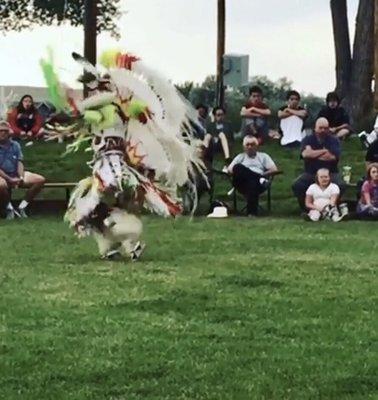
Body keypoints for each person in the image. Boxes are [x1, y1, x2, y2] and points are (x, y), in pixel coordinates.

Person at [40, 49, 207, 260]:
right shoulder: (100, 112)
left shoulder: (118, 111)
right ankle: (112, 236)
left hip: (120, 162)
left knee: (128, 197)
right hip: (107, 164)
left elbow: (132, 121)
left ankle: (122, 241)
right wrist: (67, 112)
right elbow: (79, 115)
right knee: (110, 193)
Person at [292, 117, 346, 210]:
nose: (323, 130)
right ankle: (306, 208)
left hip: (330, 172)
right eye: (320, 128)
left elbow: (332, 157)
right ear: (315, 128)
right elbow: (305, 154)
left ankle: (332, 208)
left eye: (325, 128)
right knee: (297, 185)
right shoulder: (307, 139)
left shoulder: (334, 140)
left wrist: (313, 153)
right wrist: (324, 151)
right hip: (311, 172)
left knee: (341, 185)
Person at [0, 120, 45, 219]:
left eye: (5, 131)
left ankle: (22, 206)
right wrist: (9, 179)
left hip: (15, 173)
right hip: (2, 176)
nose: (3, 133)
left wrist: (20, 177)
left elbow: (20, 162)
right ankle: (9, 208)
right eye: (0, 131)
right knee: (1, 185)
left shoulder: (15, 145)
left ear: (9, 133)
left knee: (39, 180)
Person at [227, 135, 278, 216]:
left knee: (252, 182)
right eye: (247, 145)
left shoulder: (263, 156)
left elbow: (274, 169)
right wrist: (259, 176)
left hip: (257, 185)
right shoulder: (240, 157)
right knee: (237, 167)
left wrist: (263, 174)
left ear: (257, 146)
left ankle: (251, 213)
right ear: (244, 147)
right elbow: (230, 170)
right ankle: (258, 178)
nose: (250, 147)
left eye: (252, 144)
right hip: (241, 183)